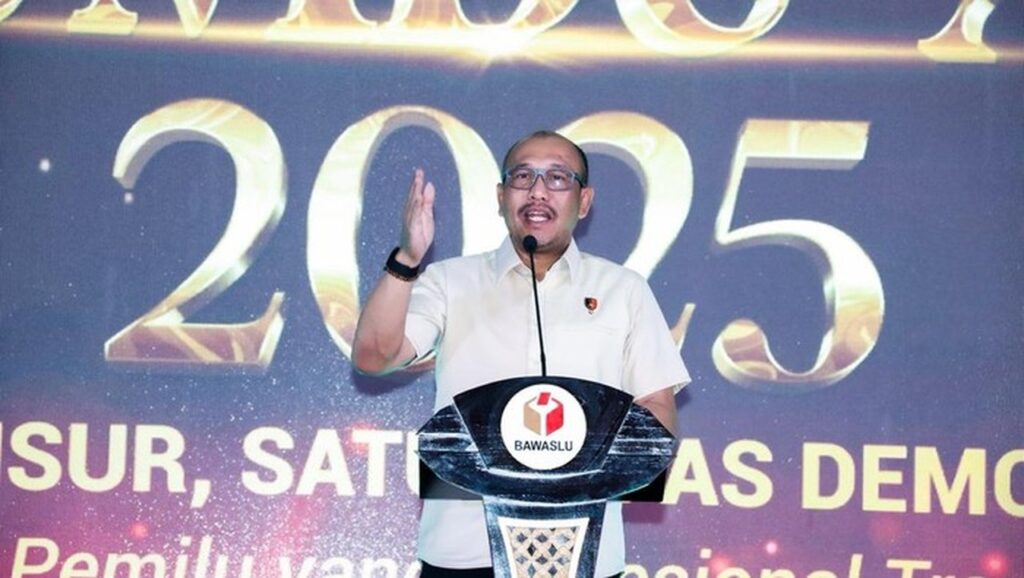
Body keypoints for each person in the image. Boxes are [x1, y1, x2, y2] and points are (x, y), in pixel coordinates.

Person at [352, 131, 689, 578]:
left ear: (584, 201)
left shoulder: (624, 290)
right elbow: (374, 356)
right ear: (501, 196)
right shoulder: (451, 282)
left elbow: (656, 410)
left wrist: (614, 469)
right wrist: (407, 259)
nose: (538, 191)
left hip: (584, 554)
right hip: (463, 551)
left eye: (558, 178)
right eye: (523, 177)